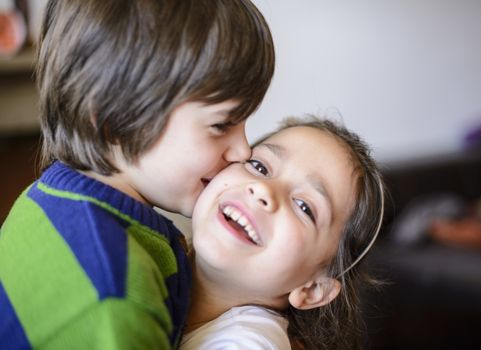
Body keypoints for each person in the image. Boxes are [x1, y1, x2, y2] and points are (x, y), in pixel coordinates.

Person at [0, 0, 274, 348]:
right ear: (116, 121)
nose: (244, 151)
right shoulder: (112, 298)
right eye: (221, 125)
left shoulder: (50, 198)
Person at [181, 116, 385, 350]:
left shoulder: (250, 342)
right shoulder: (154, 248)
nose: (264, 190)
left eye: (304, 207)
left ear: (313, 289)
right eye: (260, 167)